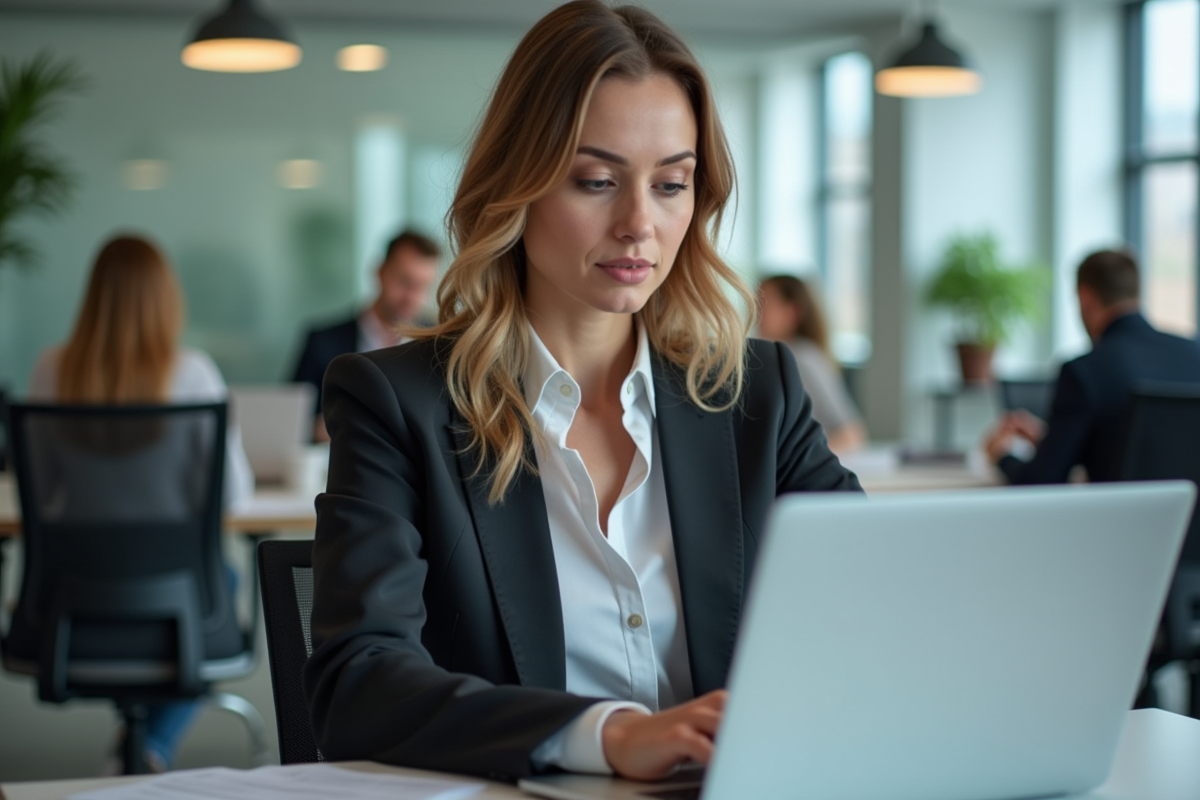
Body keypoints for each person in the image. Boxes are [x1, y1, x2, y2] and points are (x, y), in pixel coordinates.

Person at [304, 0, 861, 784]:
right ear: (517, 186)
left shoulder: (756, 394)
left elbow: (874, 605)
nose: (638, 223)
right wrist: (607, 735)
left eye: (671, 184)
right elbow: (357, 685)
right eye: (596, 181)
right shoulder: (399, 404)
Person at [27, 234, 255, 772]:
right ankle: (152, 747)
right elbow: (233, 494)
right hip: (176, 606)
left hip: (71, 604)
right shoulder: (193, 372)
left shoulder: (50, 370)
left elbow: (42, 489)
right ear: (166, 298)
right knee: (224, 581)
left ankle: (145, 747)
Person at [984, 249, 1200, 483]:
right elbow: (1152, 452)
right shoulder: (1194, 354)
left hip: (1121, 508)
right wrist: (1051, 441)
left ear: (1085, 298)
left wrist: (1003, 455)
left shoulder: (1084, 372)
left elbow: (1042, 481)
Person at [290, 229, 441, 441]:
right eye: (404, 281)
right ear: (380, 272)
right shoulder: (322, 343)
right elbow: (292, 421)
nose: (411, 297)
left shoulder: (439, 345)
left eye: (422, 286)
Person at [757, 275, 867, 454]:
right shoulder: (763, 359)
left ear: (791, 312)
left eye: (765, 303)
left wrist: (803, 458)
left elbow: (851, 432)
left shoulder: (803, 357)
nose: (756, 311)